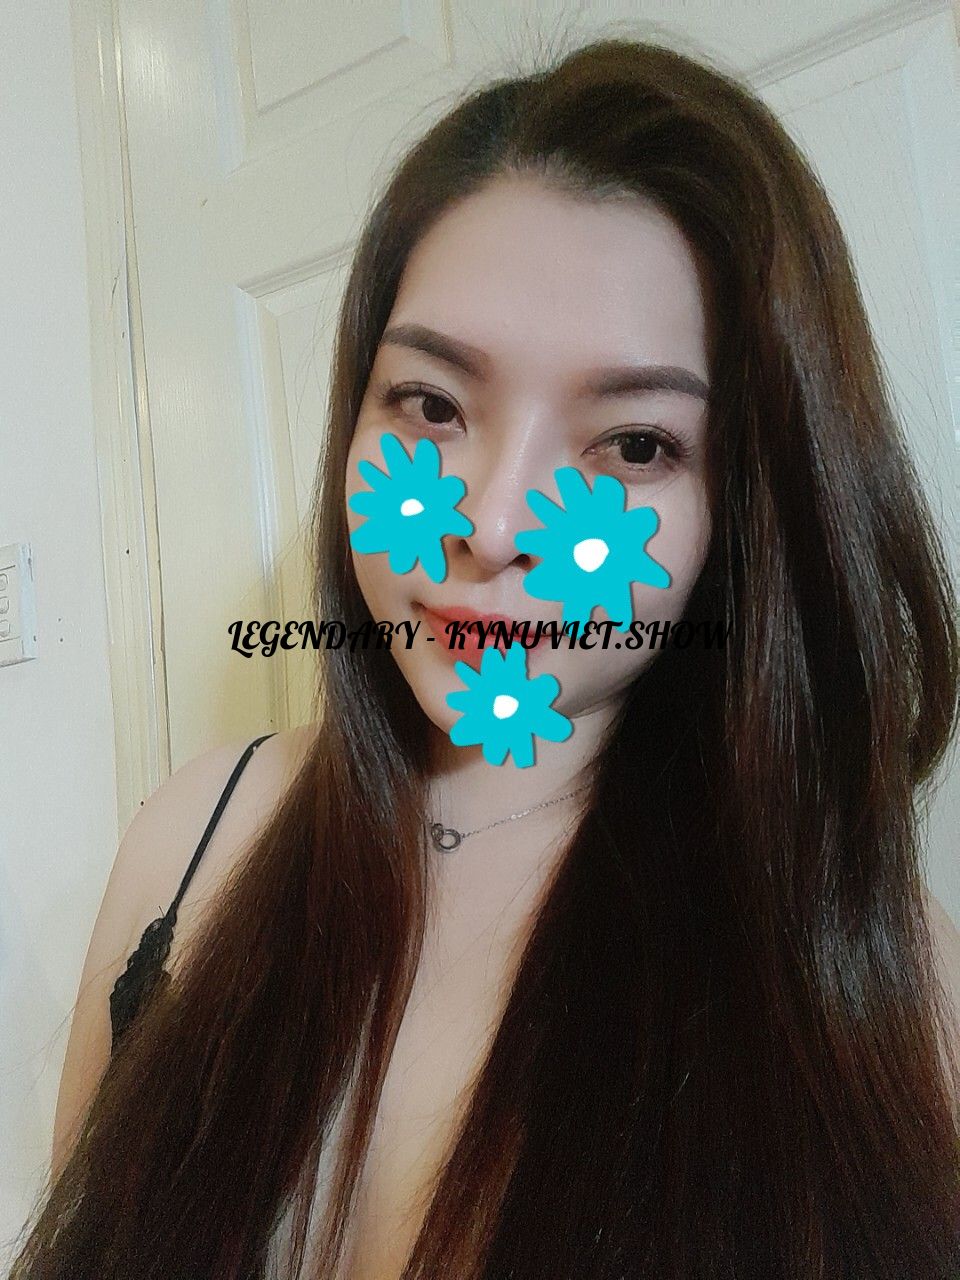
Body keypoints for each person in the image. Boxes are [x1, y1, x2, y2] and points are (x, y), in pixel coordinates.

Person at [11, 34, 960, 1280]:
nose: (496, 521)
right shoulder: (190, 838)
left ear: (743, 510)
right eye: (431, 405)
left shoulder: (875, 967)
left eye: (633, 445)